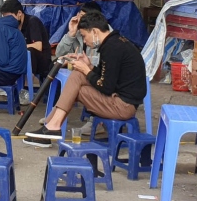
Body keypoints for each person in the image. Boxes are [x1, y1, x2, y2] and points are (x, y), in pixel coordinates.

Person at [25, 12, 146, 146]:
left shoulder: (112, 48)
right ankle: (51, 125)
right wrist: (88, 65)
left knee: (78, 86)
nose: (85, 41)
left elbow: (106, 86)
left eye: (84, 36)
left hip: (123, 106)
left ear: (94, 31)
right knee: (78, 75)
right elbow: (106, 76)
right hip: (119, 98)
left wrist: (86, 70)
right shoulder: (114, 42)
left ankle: (52, 126)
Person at [4, 0, 51, 83]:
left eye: (10, 18)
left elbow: (38, 46)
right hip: (23, 60)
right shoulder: (12, 27)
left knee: (29, 51)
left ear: (19, 13)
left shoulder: (32, 22)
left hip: (42, 62)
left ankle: (27, 86)